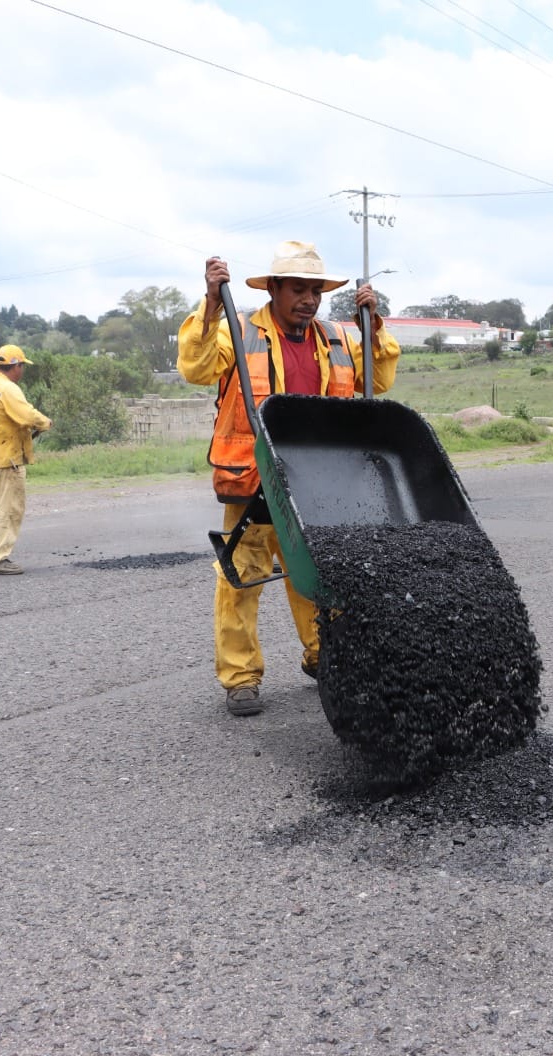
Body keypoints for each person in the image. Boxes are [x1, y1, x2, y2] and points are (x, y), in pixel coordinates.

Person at [177, 240, 400, 718]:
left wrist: (374, 327)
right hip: (255, 480)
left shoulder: (339, 339)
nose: (309, 300)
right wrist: (212, 303)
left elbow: (378, 383)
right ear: (273, 289)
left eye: (315, 292)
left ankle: (324, 657)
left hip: (318, 483)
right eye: (298, 289)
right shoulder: (237, 332)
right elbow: (195, 368)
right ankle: (240, 678)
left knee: (318, 578)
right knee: (242, 579)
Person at [0, 344, 52, 575]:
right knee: (9, 509)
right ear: (15, 366)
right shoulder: (8, 389)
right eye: (22, 366)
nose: (22, 370)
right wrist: (44, 422)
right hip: (6, 461)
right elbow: (26, 415)